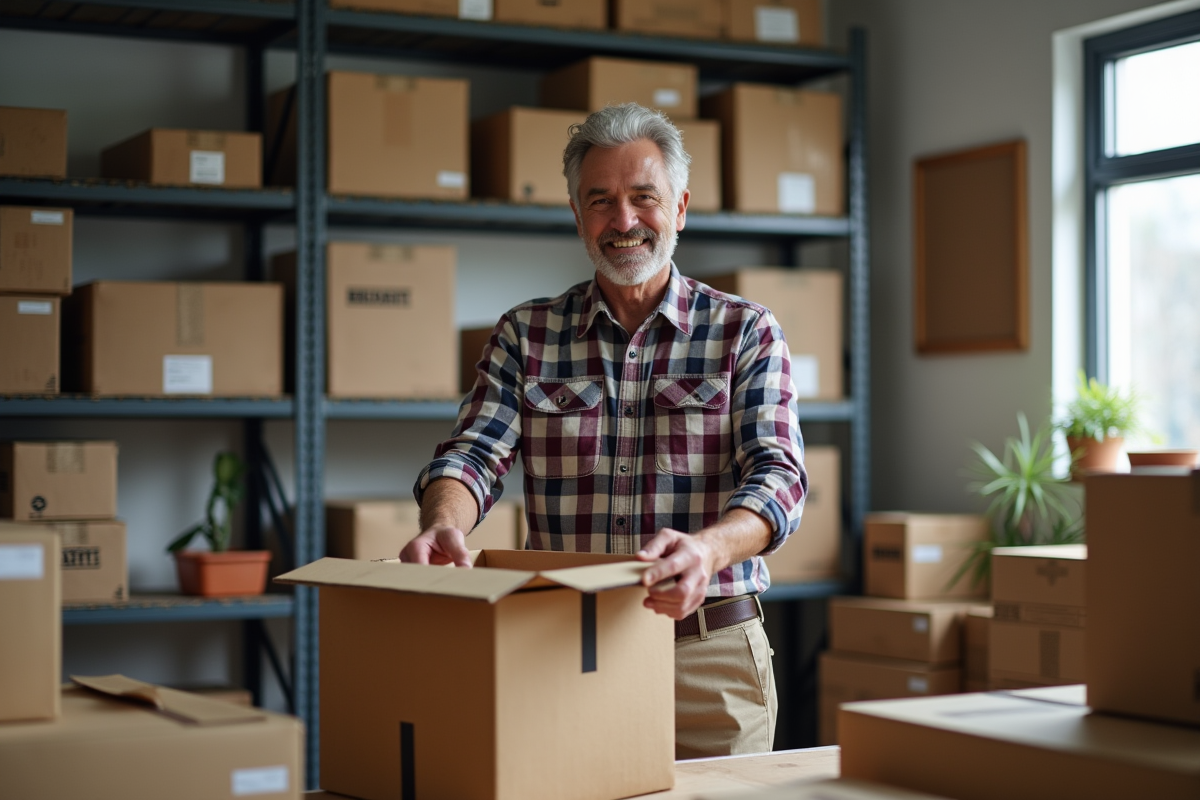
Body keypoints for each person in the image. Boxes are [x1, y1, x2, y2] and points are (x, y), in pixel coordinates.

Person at [402, 102, 807, 758]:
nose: (623, 222)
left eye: (644, 198)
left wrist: (705, 551)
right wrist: (443, 522)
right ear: (576, 215)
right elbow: (473, 452)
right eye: (601, 201)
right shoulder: (525, 335)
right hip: (561, 649)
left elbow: (780, 479)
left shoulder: (746, 332)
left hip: (708, 656)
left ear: (678, 208)